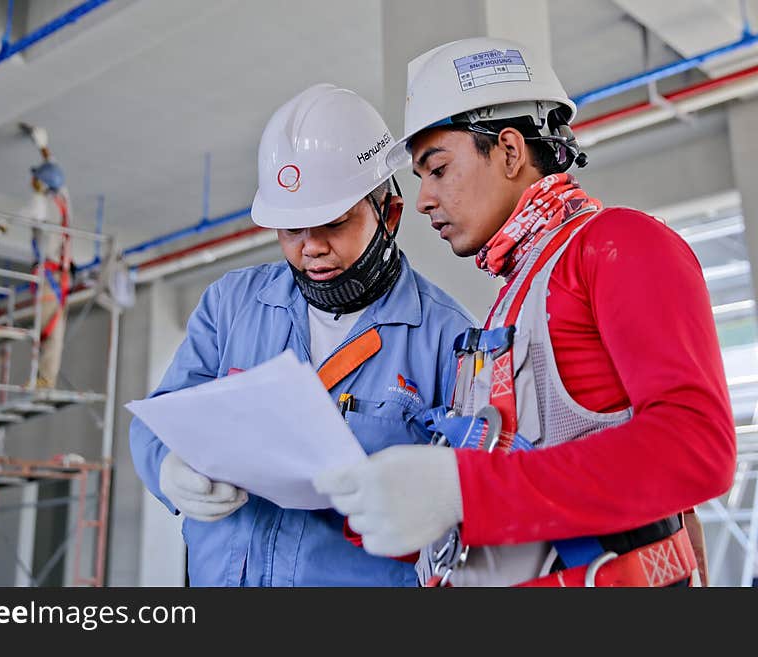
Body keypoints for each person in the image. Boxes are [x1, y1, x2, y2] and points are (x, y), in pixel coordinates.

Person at [314, 37, 736, 587]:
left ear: (510, 151)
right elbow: (507, 483)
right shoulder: (512, 303)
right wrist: (395, 501)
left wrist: (462, 491)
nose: (422, 201)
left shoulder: (617, 245)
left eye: (437, 169)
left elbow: (697, 447)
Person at [129, 83, 475, 586]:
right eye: (291, 229)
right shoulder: (230, 306)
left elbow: (469, 500)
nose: (310, 247)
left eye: (333, 224)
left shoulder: (447, 338)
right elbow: (161, 416)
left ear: (390, 214)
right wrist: (168, 468)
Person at [20, 123, 73, 390]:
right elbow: (55, 173)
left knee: (47, 330)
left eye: (36, 179)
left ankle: (43, 380)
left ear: (42, 185)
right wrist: (43, 146)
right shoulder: (62, 199)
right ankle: (44, 378)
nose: (32, 182)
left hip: (49, 277)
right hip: (57, 274)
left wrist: (4, 225)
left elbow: (27, 211)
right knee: (52, 328)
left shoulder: (44, 208)